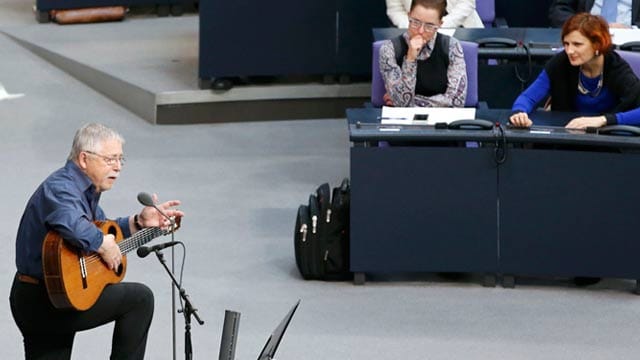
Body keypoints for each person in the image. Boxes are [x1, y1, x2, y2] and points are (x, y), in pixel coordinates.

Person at [9, 123, 185, 359]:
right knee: (139, 300)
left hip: (58, 293)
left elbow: (103, 229)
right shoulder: (61, 188)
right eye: (110, 159)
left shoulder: (85, 192)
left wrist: (138, 223)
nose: (118, 167)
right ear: (84, 159)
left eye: (121, 160)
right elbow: (73, 224)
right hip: (42, 301)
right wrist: (103, 244)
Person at [510, 13, 640, 130]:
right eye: (566, 44)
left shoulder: (617, 68)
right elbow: (528, 97)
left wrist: (604, 120)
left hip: (608, 141)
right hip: (567, 135)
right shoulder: (560, 62)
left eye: (577, 44)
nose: (569, 51)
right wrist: (519, 113)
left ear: (597, 44)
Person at [379, 0, 468, 107]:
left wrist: (414, 101)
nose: (421, 30)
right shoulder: (389, 49)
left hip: (443, 120)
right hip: (401, 120)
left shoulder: (452, 47)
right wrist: (410, 59)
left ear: (440, 24)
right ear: (408, 16)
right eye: (415, 22)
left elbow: (456, 101)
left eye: (429, 26)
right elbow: (401, 103)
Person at [386, 0, 484, 28]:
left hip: (460, 27)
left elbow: (467, 3)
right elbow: (395, 10)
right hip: (415, 31)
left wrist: (439, 25)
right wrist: (412, 25)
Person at [549, 0, 640, 28]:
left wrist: (631, 30)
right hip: (587, 38)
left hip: (631, 44)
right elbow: (559, 10)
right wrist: (584, 25)